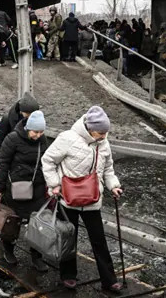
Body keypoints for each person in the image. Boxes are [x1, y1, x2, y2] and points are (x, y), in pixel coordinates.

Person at [41, 106, 123, 293]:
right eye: (100, 132)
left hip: (93, 199)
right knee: (69, 238)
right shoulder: (67, 138)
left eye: (105, 132)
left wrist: (114, 186)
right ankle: (68, 276)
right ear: (89, 128)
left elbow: (108, 170)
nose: (103, 135)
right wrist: (54, 185)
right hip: (68, 198)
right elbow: (48, 161)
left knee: (99, 241)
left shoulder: (104, 143)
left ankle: (109, 281)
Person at [0, 111, 49, 271]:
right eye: (35, 132)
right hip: (14, 189)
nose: (38, 135)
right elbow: (3, 163)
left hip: (36, 189)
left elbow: (47, 161)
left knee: (37, 225)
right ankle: (9, 251)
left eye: (41, 132)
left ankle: (37, 257)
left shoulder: (42, 140)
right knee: (11, 223)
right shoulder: (12, 139)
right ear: (28, 128)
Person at [0, 92, 40, 163]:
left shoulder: (34, 119)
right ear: (22, 111)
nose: (31, 116)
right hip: (12, 158)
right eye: (29, 114)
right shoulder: (7, 119)